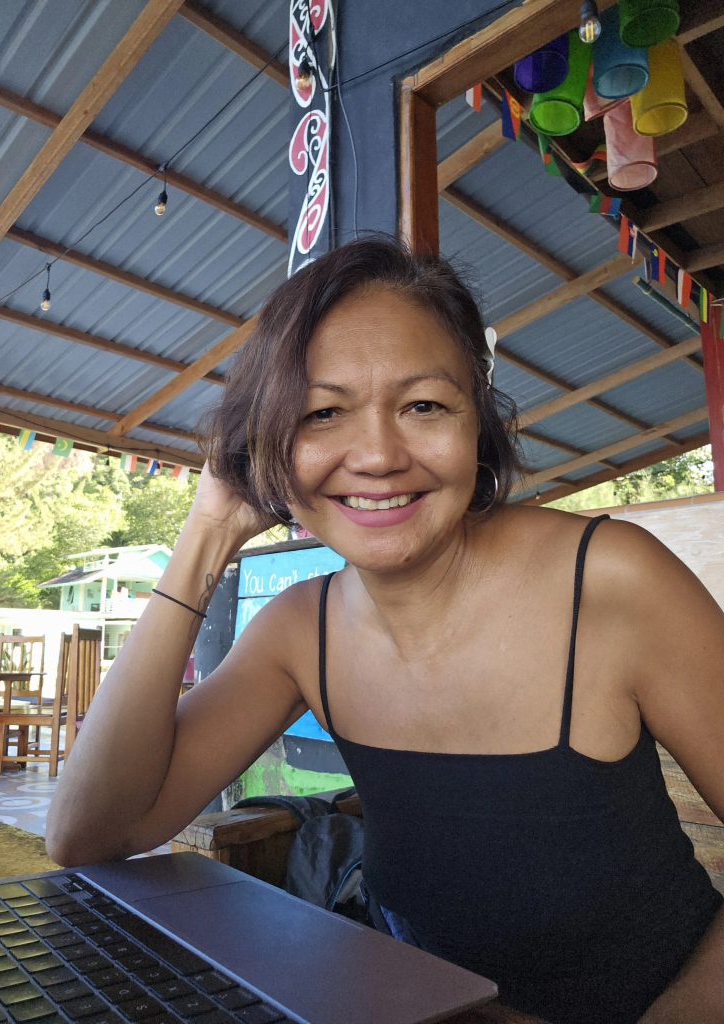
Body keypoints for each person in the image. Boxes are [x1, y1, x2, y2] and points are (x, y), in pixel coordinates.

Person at [47, 237, 724, 1024]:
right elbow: (90, 833)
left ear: (478, 424)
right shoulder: (300, 630)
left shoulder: (611, 580)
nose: (376, 456)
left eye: (424, 405)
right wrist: (207, 533)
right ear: (267, 443)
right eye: (321, 413)